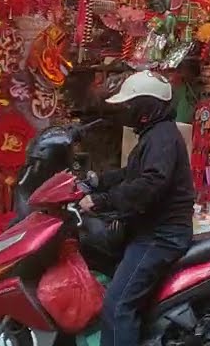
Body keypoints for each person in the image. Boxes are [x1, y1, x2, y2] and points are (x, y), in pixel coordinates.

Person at [82, 71, 196, 346]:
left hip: (161, 235)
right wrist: (97, 182)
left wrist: (102, 201)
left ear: (147, 106)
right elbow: (132, 173)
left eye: (132, 104)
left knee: (118, 304)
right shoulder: (154, 134)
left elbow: (150, 183)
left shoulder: (162, 138)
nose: (127, 110)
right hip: (148, 229)